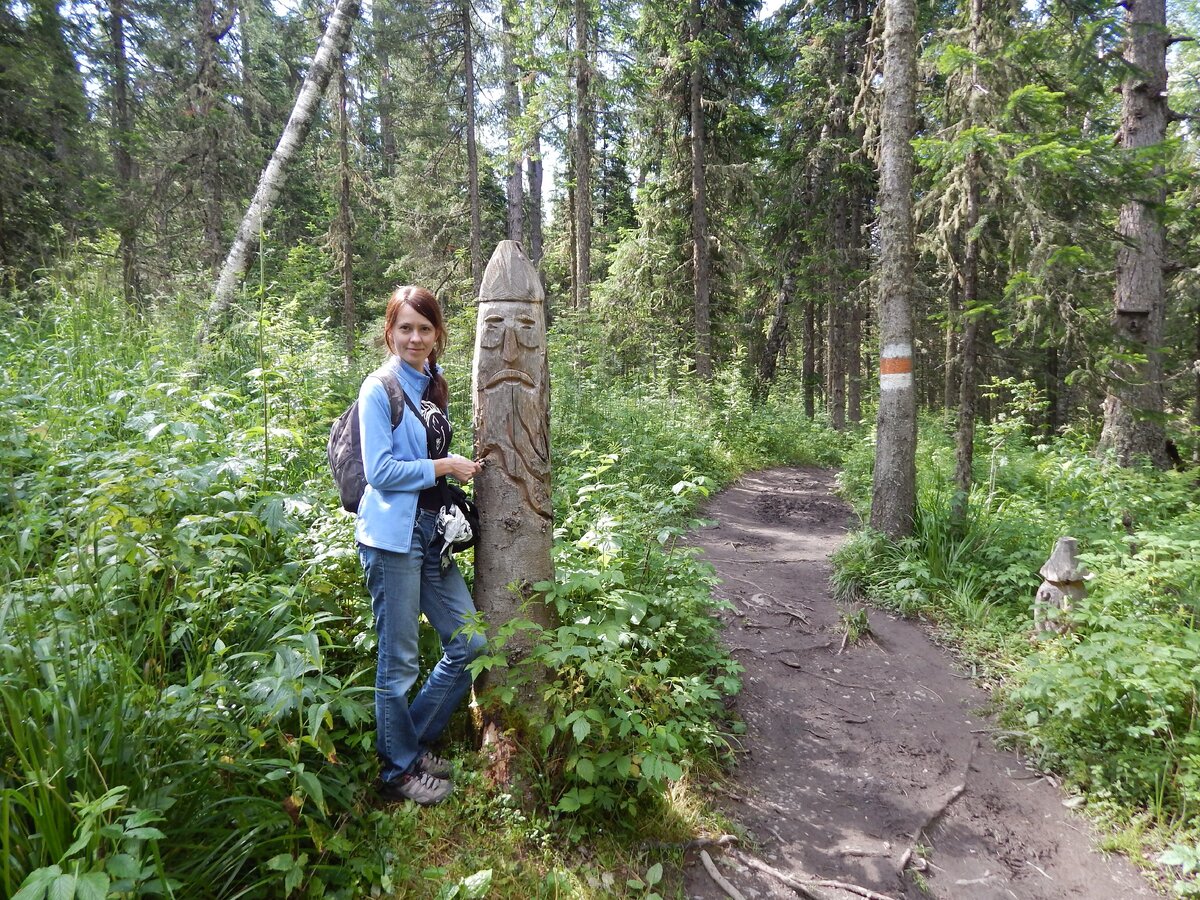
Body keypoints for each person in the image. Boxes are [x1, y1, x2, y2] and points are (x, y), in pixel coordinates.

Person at [356, 285, 485, 806]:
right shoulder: (378, 388)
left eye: (424, 329)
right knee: (399, 663)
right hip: (392, 538)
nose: (415, 337)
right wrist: (445, 466)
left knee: (470, 642)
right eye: (405, 327)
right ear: (389, 332)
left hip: (432, 535)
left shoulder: (431, 384)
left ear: (437, 336)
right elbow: (380, 472)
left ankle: (407, 741)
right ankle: (396, 772)